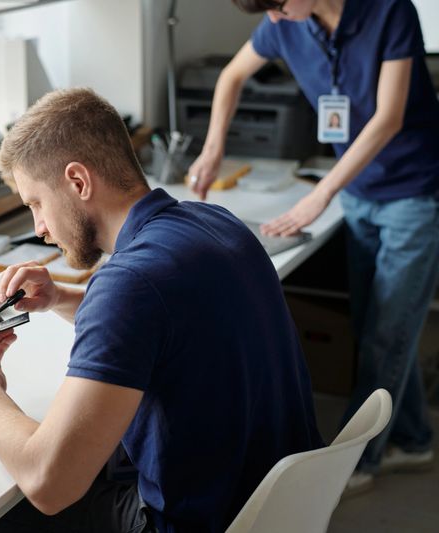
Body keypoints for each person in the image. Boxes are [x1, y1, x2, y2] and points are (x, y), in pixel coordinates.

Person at [0, 87, 323, 532]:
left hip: (194, 522)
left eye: (36, 203)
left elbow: (48, 483)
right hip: (275, 509)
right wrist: (60, 299)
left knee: (11, 513)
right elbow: (165, 321)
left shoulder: (130, 284)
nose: (40, 228)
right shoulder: (214, 221)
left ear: (78, 181)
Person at [188, 0, 439, 494]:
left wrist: (321, 195)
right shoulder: (285, 22)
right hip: (360, 194)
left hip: (413, 192)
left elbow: (388, 119)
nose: (275, 19)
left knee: (386, 337)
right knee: (382, 327)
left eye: (279, 5)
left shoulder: (389, 11)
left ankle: (355, 462)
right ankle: (414, 440)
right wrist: (213, 144)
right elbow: (232, 76)